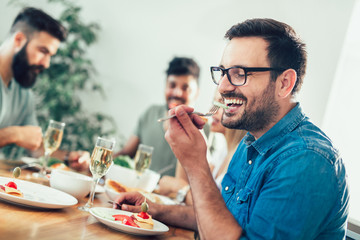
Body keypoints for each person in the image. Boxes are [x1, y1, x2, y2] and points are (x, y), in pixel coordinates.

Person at [114, 18, 349, 239]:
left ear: (284, 83)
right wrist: (151, 208)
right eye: (223, 72)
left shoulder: (306, 160)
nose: (224, 87)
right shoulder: (251, 142)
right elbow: (221, 219)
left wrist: (196, 164)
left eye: (240, 74)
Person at [0, 7, 89, 171]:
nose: (46, 64)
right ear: (18, 40)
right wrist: (13, 134)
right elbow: (20, 135)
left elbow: (35, 147)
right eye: (43, 51)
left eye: (50, 56)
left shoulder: (23, 92)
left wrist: (70, 157)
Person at [114, 57, 203, 177]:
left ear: (196, 93)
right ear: (165, 87)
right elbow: (126, 153)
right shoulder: (150, 113)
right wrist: (93, 163)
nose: (177, 93)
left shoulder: (203, 129)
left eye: (185, 88)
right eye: (172, 85)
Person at [157, 90, 246, 204]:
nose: (212, 110)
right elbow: (196, 184)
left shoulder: (241, 157)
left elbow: (212, 209)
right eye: (214, 103)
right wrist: (186, 140)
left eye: (221, 103)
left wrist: (180, 188)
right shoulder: (223, 150)